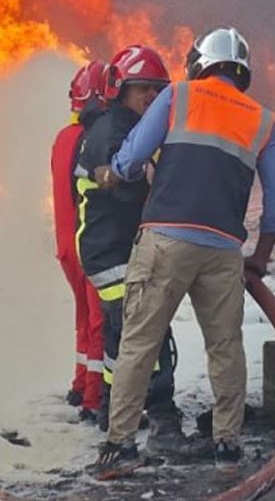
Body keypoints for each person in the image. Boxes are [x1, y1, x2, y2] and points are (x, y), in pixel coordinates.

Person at [88, 28, 275, 478]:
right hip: (223, 250)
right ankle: (228, 447)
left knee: (139, 342)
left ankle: (119, 446)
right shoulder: (265, 121)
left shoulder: (178, 96)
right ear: (242, 71)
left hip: (165, 241)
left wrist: (114, 173)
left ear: (201, 62)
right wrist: (260, 257)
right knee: (225, 347)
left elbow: (133, 155)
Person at [73, 44, 185, 452]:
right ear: (121, 90)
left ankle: (110, 407)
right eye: (144, 92)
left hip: (113, 249)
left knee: (122, 338)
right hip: (112, 253)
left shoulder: (124, 127)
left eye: (158, 92)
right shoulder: (112, 134)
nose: (152, 100)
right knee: (147, 332)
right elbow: (130, 188)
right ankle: (162, 421)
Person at [51, 60, 108, 422]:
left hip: (67, 247)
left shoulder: (62, 138)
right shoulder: (93, 140)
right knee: (101, 322)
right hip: (90, 244)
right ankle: (93, 399)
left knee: (85, 320)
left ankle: (79, 383)